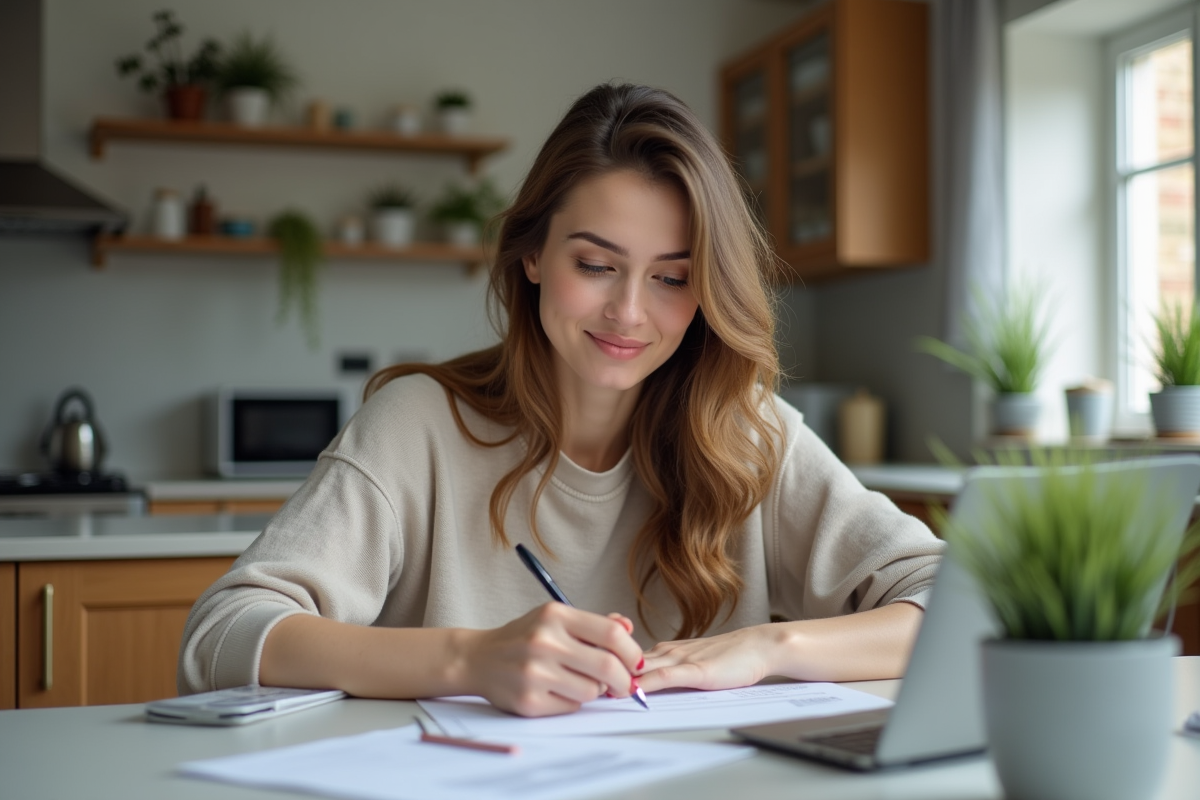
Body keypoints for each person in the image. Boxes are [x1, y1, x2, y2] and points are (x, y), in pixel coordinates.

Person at [179, 83, 944, 718]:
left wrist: (771, 647)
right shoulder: (417, 426)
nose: (630, 314)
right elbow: (222, 637)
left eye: (673, 278)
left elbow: (954, 602)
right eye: (597, 264)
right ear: (535, 254)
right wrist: (468, 658)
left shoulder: (747, 435)